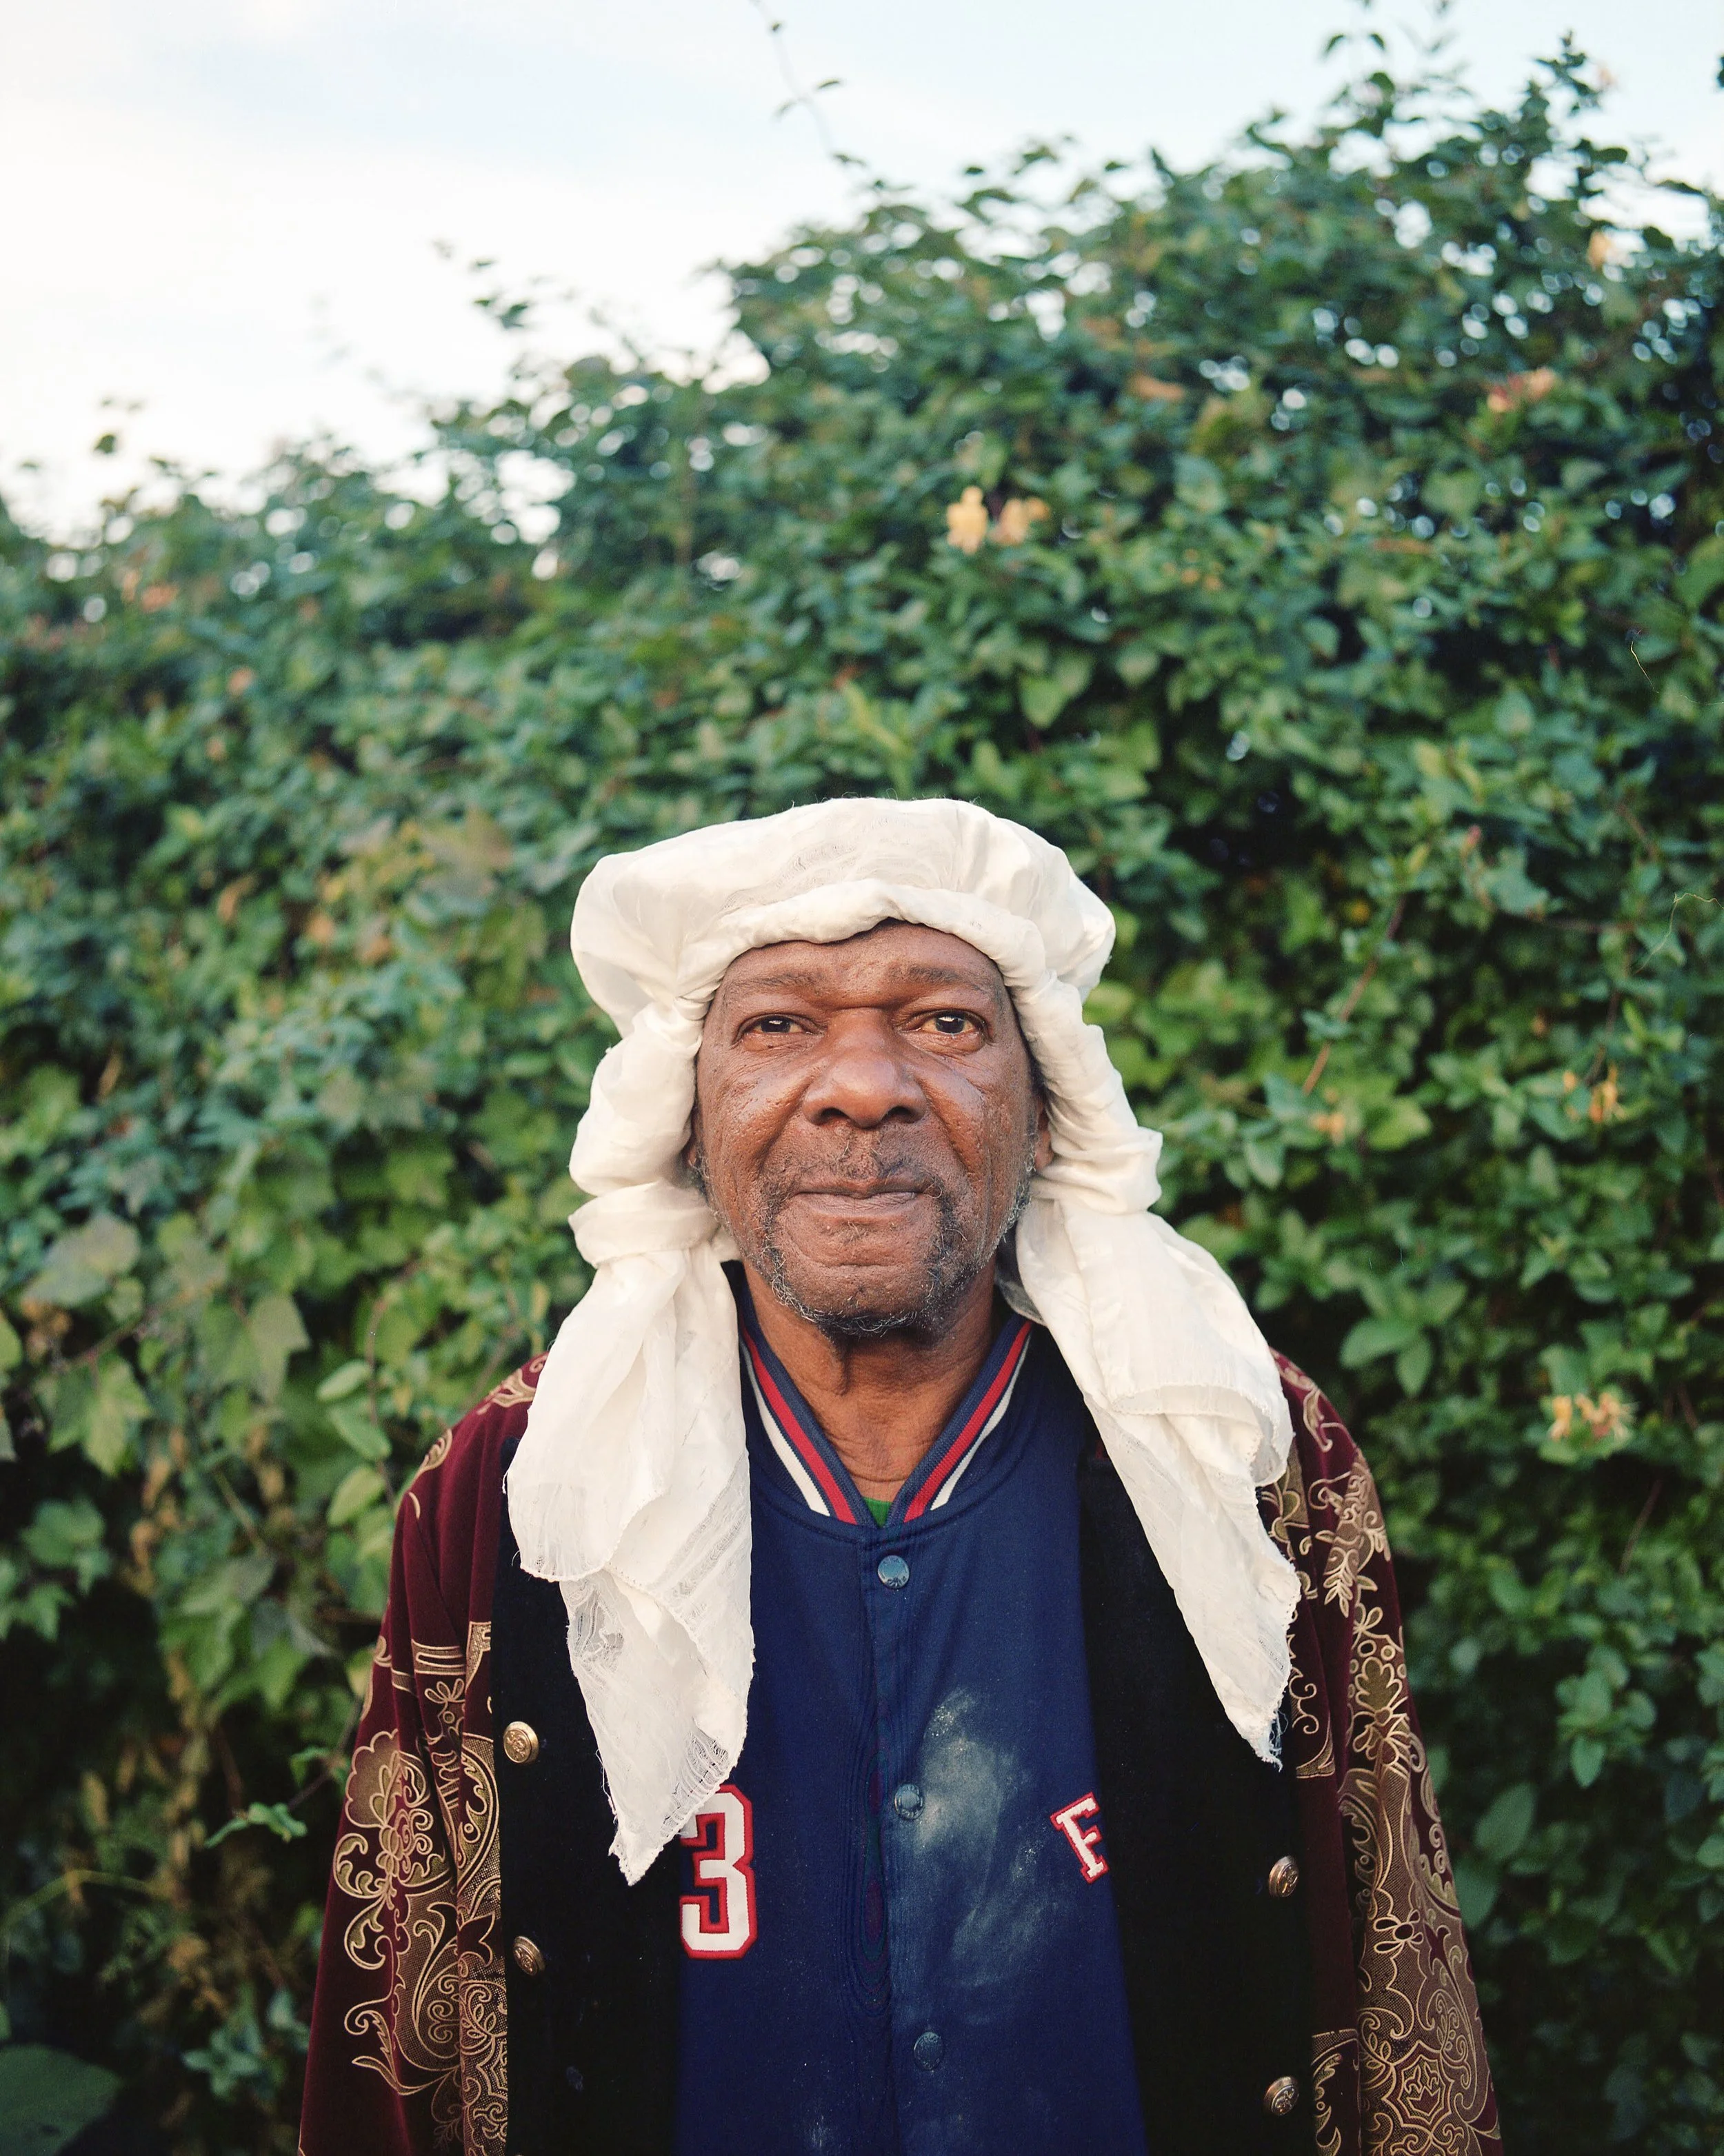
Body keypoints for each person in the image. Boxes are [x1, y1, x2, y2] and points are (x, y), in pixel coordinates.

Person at [299, 798, 1499, 2156]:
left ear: (1043, 1109)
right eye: (777, 1025)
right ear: (687, 1115)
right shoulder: (518, 1488)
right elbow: (406, 2041)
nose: (863, 1084)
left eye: (942, 1021)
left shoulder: (1240, 1450)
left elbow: (1392, 1975)